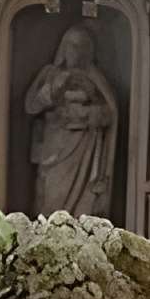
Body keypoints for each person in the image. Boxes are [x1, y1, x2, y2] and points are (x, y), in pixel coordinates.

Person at [24, 24, 119, 218]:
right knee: (51, 198)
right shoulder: (50, 73)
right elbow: (31, 107)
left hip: (84, 149)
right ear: (63, 48)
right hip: (54, 147)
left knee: (83, 207)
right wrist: (51, 90)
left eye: (81, 46)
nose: (76, 52)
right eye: (72, 46)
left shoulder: (94, 78)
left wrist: (85, 114)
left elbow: (110, 113)